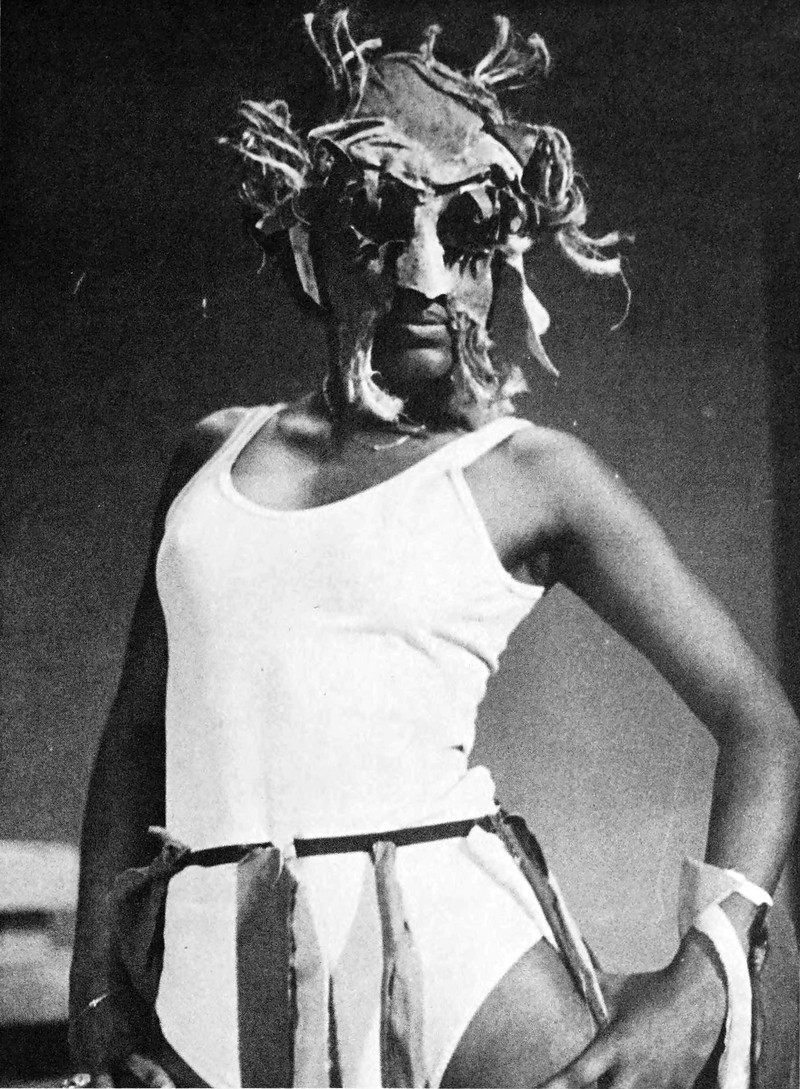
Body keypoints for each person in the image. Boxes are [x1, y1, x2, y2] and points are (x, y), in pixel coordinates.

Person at [67, 10, 800, 1089]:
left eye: (465, 234)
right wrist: (96, 988)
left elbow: (759, 720)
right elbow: (137, 738)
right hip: (210, 994)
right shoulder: (210, 457)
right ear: (306, 238)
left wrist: (707, 976)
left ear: (499, 259)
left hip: (462, 986)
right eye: (377, 220)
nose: (425, 273)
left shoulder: (526, 474)